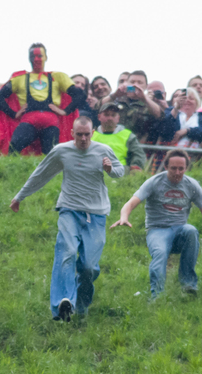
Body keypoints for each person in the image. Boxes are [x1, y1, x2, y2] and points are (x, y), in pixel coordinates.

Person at [10, 116, 123, 321]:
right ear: (71, 134)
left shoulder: (102, 150)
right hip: (69, 209)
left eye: (87, 134)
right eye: (79, 134)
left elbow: (120, 172)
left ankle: (81, 305)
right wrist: (20, 196)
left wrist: (110, 169)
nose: (83, 139)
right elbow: (40, 174)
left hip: (97, 213)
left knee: (88, 267)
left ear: (92, 132)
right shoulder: (62, 151)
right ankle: (62, 303)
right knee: (67, 252)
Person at [111, 149, 202, 298]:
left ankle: (188, 285)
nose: (177, 172)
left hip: (180, 229)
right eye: (173, 168)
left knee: (191, 231)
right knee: (160, 253)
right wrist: (124, 217)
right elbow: (131, 203)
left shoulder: (191, 185)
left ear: (186, 168)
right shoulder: (154, 182)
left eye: (181, 169)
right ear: (166, 167)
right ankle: (157, 296)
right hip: (157, 230)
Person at [0, 43, 85, 155]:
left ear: (46, 57)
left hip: (50, 123)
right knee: (14, 147)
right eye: (32, 56)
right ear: (29, 59)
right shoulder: (19, 78)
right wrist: (13, 113)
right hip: (29, 121)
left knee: (51, 156)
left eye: (39, 56)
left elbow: (80, 94)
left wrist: (65, 111)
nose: (36, 59)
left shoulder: (58, 77)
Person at [100, 70, 163, 143]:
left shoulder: (149, 103)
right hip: (114, 143)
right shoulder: (117, 99)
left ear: (146, 86)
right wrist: (115, 95)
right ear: (127, 84)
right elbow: (98, 107)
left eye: (140, 82)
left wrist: (144, 98)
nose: (135, 85)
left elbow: (159, 115)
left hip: (137, 146)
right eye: (132, 82)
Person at [91, 102, 146, 171]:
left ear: (118, 118)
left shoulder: (128, 135)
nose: (110, 118)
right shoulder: (90, 135)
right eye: (106, 115)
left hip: (121, 173)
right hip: (95, 172)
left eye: (113, 115)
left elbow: (138, 155)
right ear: (99, 117)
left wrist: (135, 167)